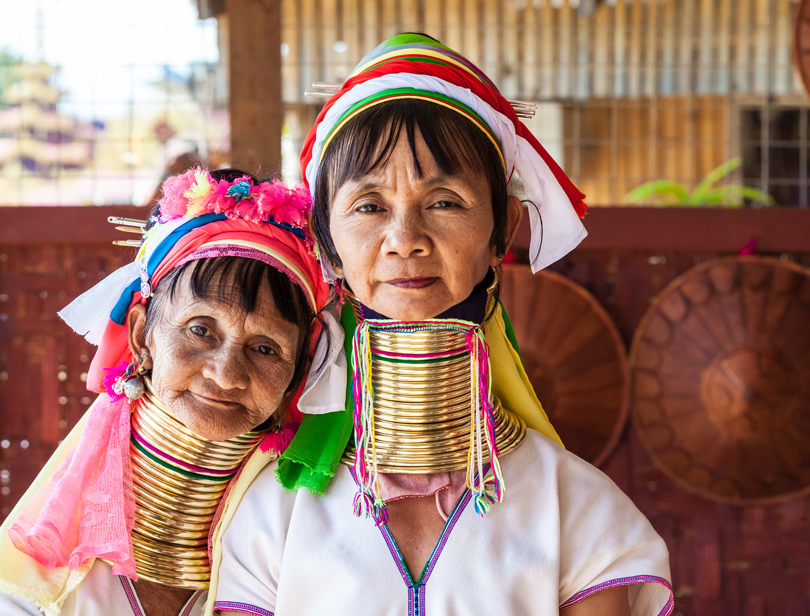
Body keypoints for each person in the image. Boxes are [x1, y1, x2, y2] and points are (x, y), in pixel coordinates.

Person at [210, 34, 673, 616]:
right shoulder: (273, 515)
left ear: (500, 235)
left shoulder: (577, 511)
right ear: (328, 248)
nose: (405, 239)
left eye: (445, 202)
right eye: (369, 206)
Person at [0, 168, 331, 616]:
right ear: (140, 336)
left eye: (265, 348)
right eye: (200, 329)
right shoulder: (9, 595)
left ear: (299, 371)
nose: (227, 374)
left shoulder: (311, 567)